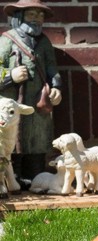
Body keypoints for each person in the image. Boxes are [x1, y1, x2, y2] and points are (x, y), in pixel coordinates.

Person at [0, 0, 62, 185]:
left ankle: (36, 178)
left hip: (37, 104)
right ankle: (13, 179)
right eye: (32, 15)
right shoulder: (6, 41)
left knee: (37, 140)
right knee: (13, 142)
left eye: (40, 15)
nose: (37, 19)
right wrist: (11, 75)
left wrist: (56, 87)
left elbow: (52, 68)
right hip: (13, 104)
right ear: (19, 17)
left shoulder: (43, 43)